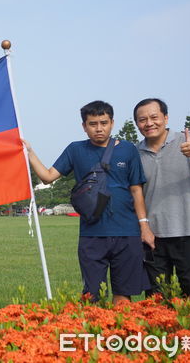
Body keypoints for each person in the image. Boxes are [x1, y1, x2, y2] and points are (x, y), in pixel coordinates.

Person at [25, 100, 154, 304]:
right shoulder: (75, 150)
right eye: (93, 124)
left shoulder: (128, 150)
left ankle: (118, 335)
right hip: (92, 234)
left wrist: (144, 227)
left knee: (123, 296)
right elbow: (48, 177)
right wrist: (30, 153)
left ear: (112, 123)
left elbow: (136, 190)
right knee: (92, 296)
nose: (99, 128)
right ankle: (94, 335)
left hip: (126, 232)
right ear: (84, 126)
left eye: (104, 122)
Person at [134, 98, 190, 298]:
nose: (149, 123)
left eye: (154, 117)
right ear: (137, 124)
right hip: (152, 236)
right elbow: (135, 193)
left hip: (188, 231)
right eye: (142, 120)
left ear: (165, 117)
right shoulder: (135, 152)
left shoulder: (187, 140)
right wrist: (144, 227)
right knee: (156, 298)